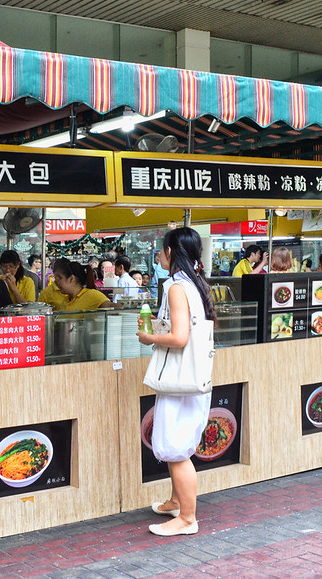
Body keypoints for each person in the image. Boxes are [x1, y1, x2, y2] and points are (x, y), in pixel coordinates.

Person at [135, 227, 216, 537]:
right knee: (177, 445)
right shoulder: (196, 284)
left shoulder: (176, 288)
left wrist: (150, 338)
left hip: (180, 382)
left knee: (176, 450)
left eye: (162, 249)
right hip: (193, 379)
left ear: (170, 252)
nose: (159, 254)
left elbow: (180, 338)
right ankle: (175, 501)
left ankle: (187, 518)